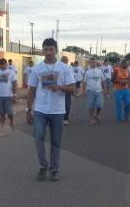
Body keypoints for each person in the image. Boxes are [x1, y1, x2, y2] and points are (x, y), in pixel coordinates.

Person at [26, 38, 76, 182]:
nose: (48, 52)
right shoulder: (37, 68)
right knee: (38, 138)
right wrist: (28, 110)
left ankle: (54, 169)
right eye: (46, 49)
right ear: (42, 51)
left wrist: (60, 87)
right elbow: (32, 90)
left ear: (56, 50)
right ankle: (43, 166)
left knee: (56, 141)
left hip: (58, 111)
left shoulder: (64, 68)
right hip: (40, 110)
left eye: (51, 49)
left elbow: (73, 88)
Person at [0, 59, 17, 137]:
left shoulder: (11, 72)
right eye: (1, 64)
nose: (2, 65)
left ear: (6, 64)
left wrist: (15, 95)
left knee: (9, 113)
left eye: (4, 64)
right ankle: (1, 130)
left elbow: (15, 83)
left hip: (9, 95)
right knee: (2, 114)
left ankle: (11, 122)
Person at [83, 58, 108, 125]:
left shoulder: (100, 71)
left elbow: (104, 81)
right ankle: (92, 119)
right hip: (90, 91)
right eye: (92, 62)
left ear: (96, 63)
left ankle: (97, 115)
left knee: (100, 105)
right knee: (90, 106)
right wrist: (84, 91)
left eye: (94, 62)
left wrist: (105, 90)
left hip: (99, 91)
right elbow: (84, 82)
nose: (93, 63)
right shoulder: (87, 71)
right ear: (90, 63)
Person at [61, 56, 72, 125]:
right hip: (59, 89)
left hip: (67, 88)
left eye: (65, 60)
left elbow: (72, 78)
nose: (64, 61)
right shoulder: (57, 67)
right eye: (63, 60)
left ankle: (65, 118)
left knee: (67, 104)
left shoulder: (70, 68)